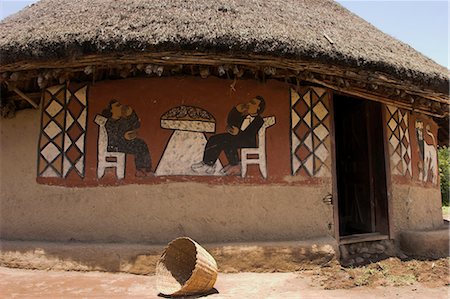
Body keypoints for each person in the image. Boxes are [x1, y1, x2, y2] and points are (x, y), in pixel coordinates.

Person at [192, 96, 266, 175]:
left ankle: (232, 164)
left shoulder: (259, 120)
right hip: (239, 138)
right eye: (250, 102)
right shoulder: (244, 117)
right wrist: (236, 111)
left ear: (258, 108)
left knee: (227, 141)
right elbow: (231, 120)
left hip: (248, 142)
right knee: (215, 138)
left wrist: (238, 133)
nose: (249, 104)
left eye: (253, 103)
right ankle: (208, 163)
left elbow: (250, 134)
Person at [101, 100, 153, 177]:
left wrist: (131, 114)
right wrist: (123, 137)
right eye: (117, 106)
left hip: (124, 143)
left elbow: (135, 125)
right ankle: (140, 169)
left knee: (141, 143)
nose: (121, 108)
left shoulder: (123, 121)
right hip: (115, 145)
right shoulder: (109, 122)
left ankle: (144, 169)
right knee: (137, 146)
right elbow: (112, 137)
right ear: (111, 110)